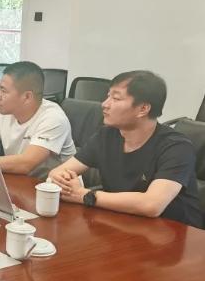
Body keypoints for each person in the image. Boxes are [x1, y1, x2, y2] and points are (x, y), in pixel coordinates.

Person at [49, 70, 202, 228]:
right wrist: (61, 178)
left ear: (143, 109)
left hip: (175, 232)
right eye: (108, 96)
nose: (105, 104)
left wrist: (85, 195)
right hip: (123, 222)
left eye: (116, 98)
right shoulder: (106, 135)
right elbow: (59, 171)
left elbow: (152, 205)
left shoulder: (176, 147)